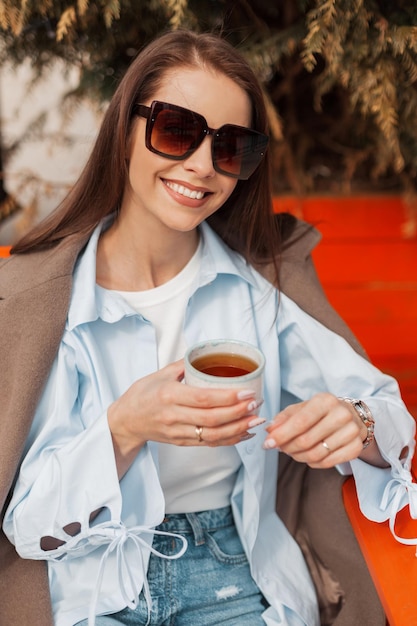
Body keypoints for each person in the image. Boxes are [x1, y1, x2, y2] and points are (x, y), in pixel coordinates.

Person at [1, 29, 416, 626]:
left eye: (231, 149)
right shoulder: (42, 305)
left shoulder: (263, 286)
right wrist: (123, 430)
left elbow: (386, 412)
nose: (201, 167)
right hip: (86, 589)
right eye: (176, 130)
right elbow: (30, 529)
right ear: (125, 131)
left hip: (235, 574)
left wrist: (357, 423)